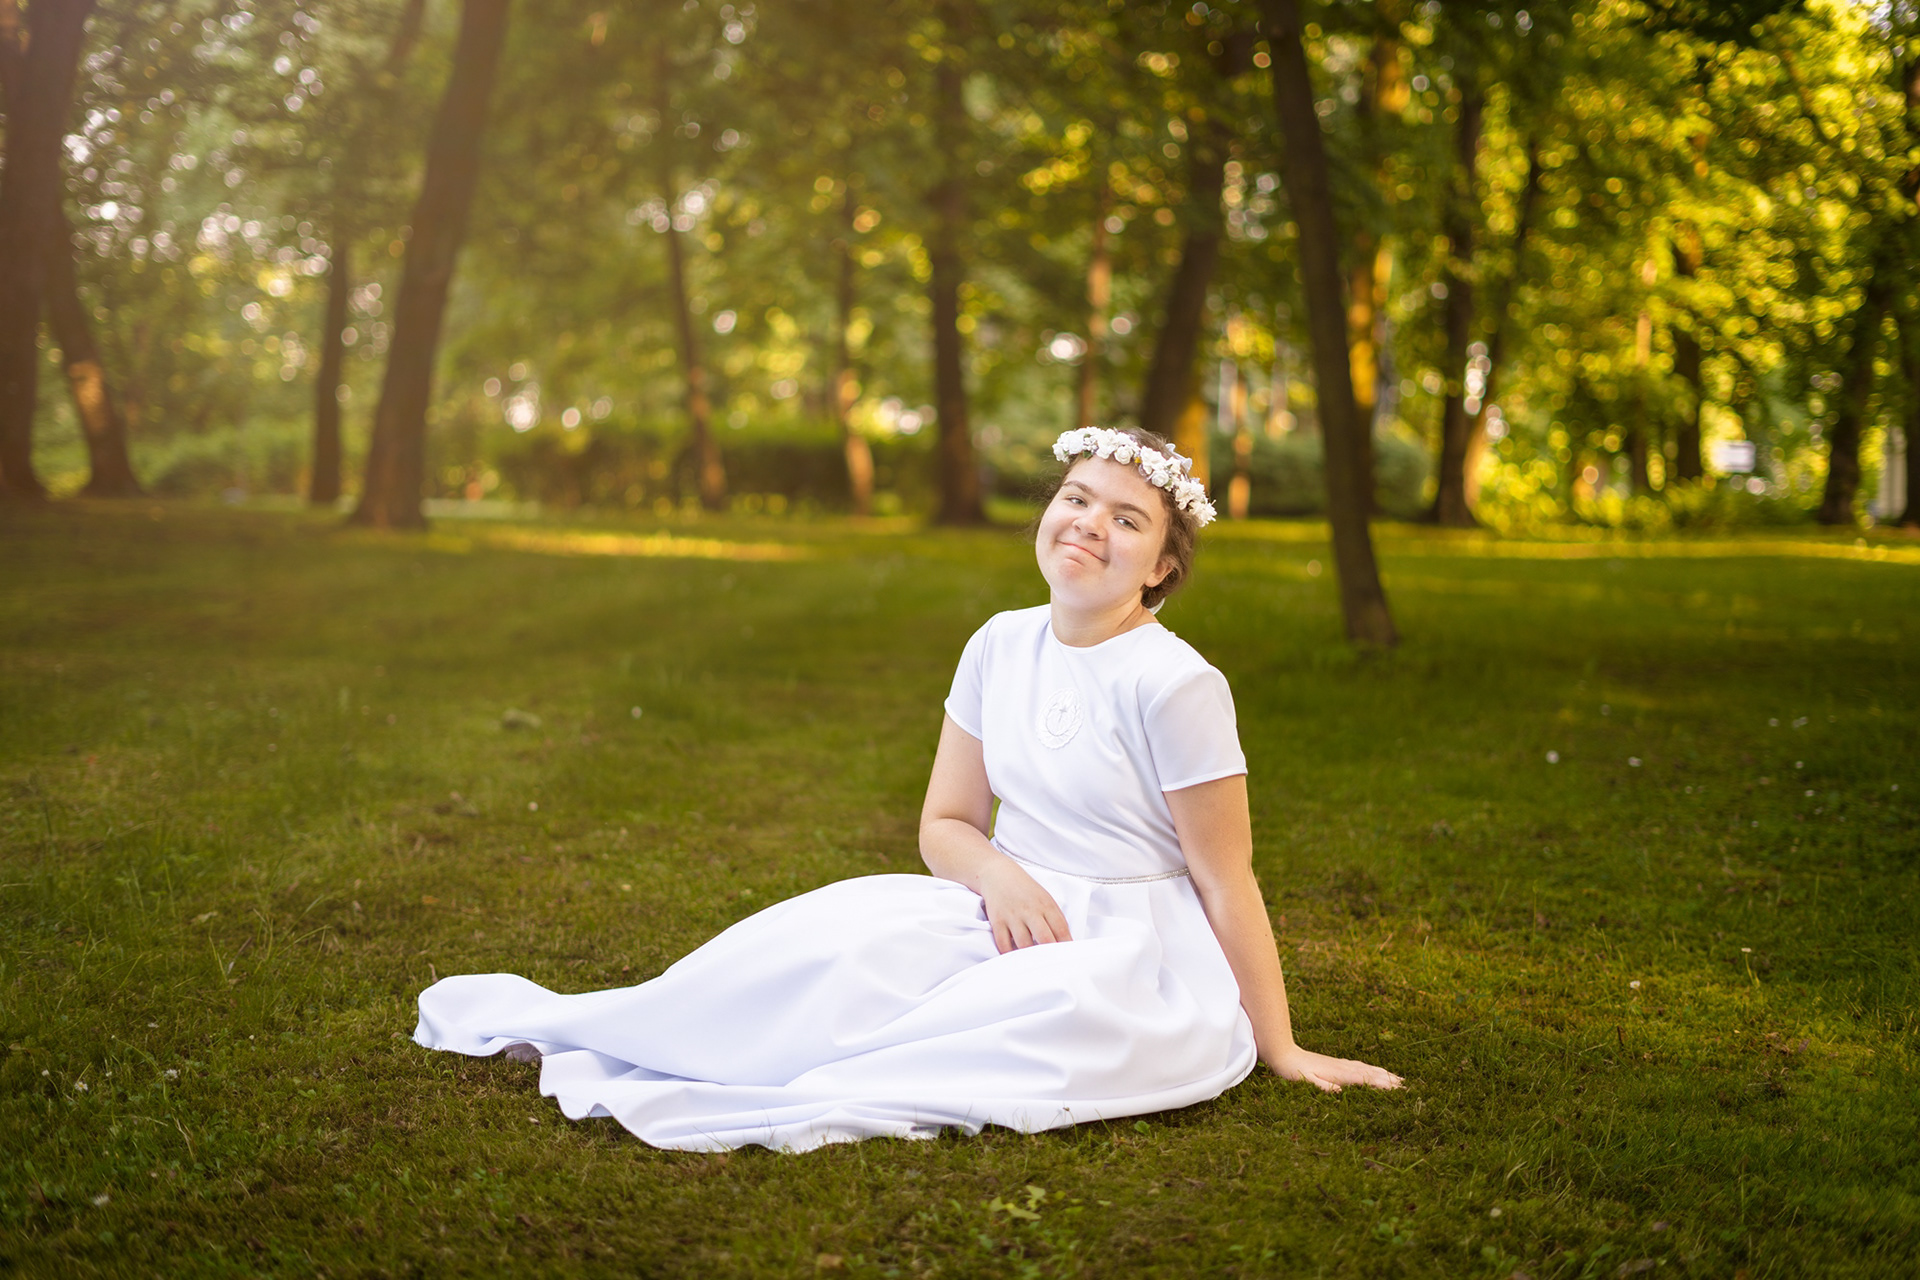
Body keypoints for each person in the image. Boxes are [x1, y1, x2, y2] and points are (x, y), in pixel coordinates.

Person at [415, 426, 1401, 1152]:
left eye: (1127, 518)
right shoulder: (999, 642)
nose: (1089, 524)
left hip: (1127, 946)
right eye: (1076, 498)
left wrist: (1278, 1044)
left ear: (1163, 566)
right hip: (1002, 899)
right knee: (835, 946)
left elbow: (1226, 878)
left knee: (993, 1026)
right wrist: (1000, 877)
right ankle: (642, 1031)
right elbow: (945, 823)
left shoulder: (1176, 684)